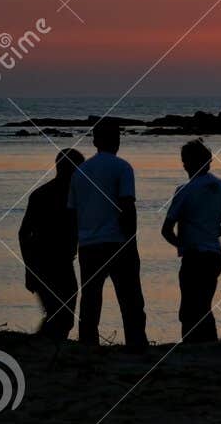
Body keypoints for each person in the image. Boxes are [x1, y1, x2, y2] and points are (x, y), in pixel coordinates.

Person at [68, 118, 148, 351]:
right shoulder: (122, 167)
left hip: (88, 245)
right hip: (117, 242)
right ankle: (135, 343)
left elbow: (73, 214)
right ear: (116, 140)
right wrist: (131, 240)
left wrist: (75, 244)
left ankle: (88, 343)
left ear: (95, 141)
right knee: (130, 298)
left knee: (90, 299)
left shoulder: (79, 173)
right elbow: (127, 206)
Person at [160, 140, 221, 343]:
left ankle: (194, 345)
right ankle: (207, 344)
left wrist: (182, 245)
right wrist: (219, 231)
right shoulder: (220, 186)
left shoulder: (185, 190)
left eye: (185, 161)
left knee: (191, 307)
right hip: (214, 256)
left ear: (190, 163)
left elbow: (166, 229)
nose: (183, 165)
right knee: (203, 303)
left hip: (195, 256)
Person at [19, 148, 85, 340]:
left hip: (60, 262)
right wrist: (29, 270)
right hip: (45, 263)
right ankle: (44, 347)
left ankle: (48, 347)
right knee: (60, 316)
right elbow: (24, 233)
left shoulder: (69, 195)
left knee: (62, 316)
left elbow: (23, 234)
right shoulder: (46, 195)